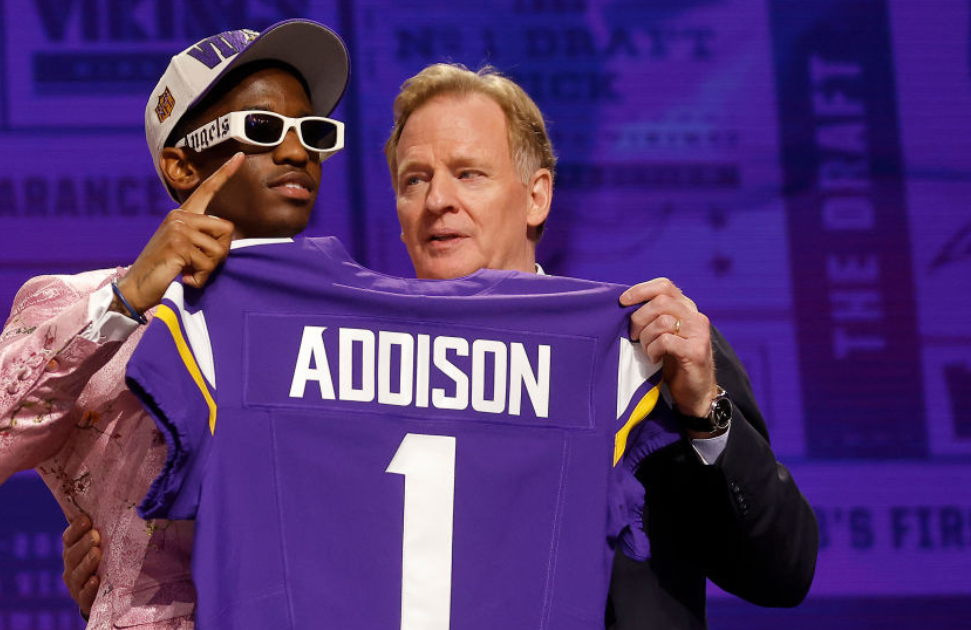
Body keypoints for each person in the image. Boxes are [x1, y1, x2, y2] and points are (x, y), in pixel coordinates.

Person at [63, 62, 818, 628]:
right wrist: (133, 563)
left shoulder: (647, 347)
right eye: (414, 179)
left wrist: (704, 413)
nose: (438, 201)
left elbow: (783, 571)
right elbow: (271, 551)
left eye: (469, 174)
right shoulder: (325, 352)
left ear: (538, 195)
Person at [0, 20, 350, 627]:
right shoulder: (85, 305)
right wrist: (126, 299)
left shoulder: (349, 321)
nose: (298, 152)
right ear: (183, 166)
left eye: (313, 132)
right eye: (262, 129)